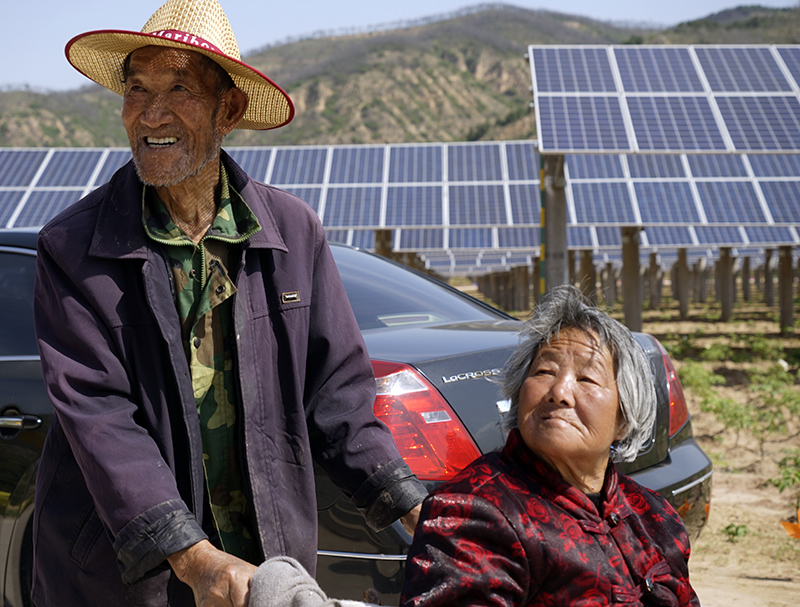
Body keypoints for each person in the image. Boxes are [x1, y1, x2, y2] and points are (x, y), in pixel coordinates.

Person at [31, 1, 425, 606]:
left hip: (264, 564)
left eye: (180, 88)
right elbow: (100, 417)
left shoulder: (294, 232)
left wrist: (415, 507)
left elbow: (338, 396)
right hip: (128, 574)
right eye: (137, 88)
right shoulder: (73, 247)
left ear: (229, 109)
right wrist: (194, 557)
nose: (151, 112)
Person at [399, 285, 700, 606]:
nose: (559, 392)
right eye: (544, 371)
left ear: (623, 420)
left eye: (586, 379)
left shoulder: (654, 516)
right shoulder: (472, 513)